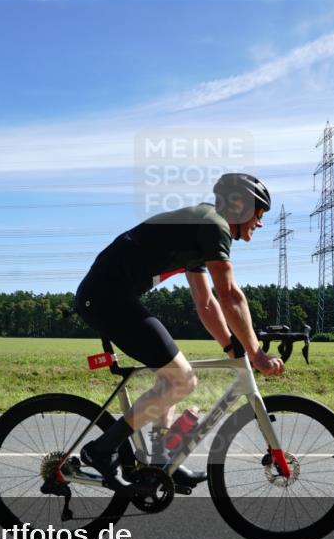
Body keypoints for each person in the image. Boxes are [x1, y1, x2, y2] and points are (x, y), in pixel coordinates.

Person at [73, 173, 285, 493]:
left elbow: (207, 303)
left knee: (172, 378)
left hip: (111, 296)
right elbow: (229, 295)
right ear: (240, 205)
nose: (260, 221)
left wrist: (232, 347)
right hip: (106, 298)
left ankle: (160, 460)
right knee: (182, 378)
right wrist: (255, 352)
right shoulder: (213, 225)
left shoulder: (199, 229)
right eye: (260, 212)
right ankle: (102, 449)